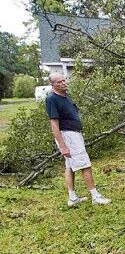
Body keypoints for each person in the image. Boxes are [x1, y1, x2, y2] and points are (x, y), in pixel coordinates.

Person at [45, 73, 111, 207]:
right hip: (68, 135)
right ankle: (95, 196)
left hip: (74, 133)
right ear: (53, 85)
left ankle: (72, 198)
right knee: (85, 164)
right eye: (59, 82)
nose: (63, 83)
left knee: (69, 166)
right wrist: (63, 146)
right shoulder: (52, 99)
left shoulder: (65, 95)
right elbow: (54, 124)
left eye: (64, 80)